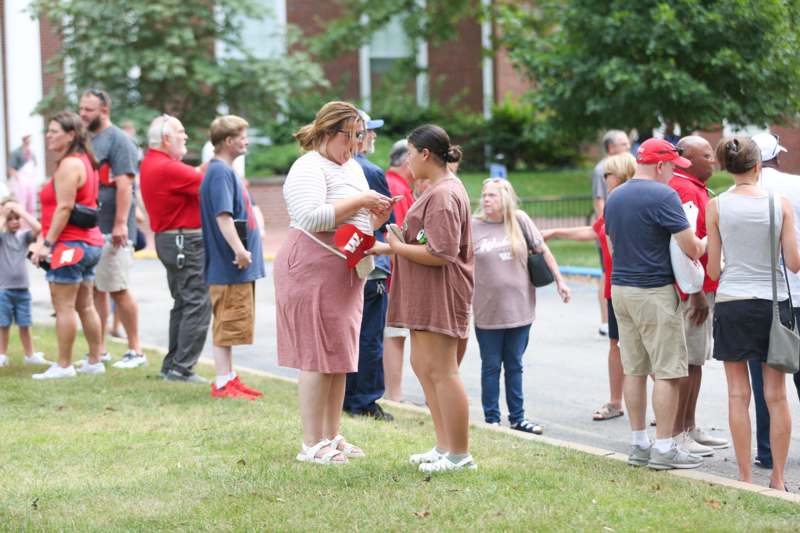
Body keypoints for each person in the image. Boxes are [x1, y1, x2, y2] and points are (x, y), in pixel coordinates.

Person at [274, 101, 393, 465]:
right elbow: (310, 217)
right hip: (311, 265)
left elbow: (356, 226)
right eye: (351, 136)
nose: (357, 144)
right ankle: (311, 444)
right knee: (315, 355)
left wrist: (376, 220)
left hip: (346, 266)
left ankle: (331, 434)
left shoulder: (353, 168)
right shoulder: (308, 166)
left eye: (361, 136)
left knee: (340, 356)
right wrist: (361, 199)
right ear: (328, 132)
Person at [381, 124, 477, 473]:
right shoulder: (437, 191)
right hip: (424, 295)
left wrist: (396, 246)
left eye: (409, 152)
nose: (406, 160)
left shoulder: (444, 195)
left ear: (425, 154)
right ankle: (443, 446)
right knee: (424, 367)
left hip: (442, 293)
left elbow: (441, 252)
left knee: (443, 372)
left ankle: (459, 454)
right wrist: (393, 238)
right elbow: (422, 241)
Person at [605, 138, 705, 470]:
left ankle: (639, 445)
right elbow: (690, 247)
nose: (674, 173)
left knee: (634, 369)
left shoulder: (616, 195)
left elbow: (611, 241)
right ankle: (664, 448)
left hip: (621, 289)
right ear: (661, 165)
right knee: (667, 371)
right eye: (674, 167)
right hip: (655, 291)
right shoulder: (664, 195)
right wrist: (708, 241)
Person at [706, 136, 798, 491]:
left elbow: (713, 271)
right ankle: (777, 478)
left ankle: (744, 477)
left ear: (727, 168)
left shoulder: (716, 207)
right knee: (775, 396)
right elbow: (793, 262)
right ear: (759, 166)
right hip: (773, 305)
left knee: (737, 394)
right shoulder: (780, 204)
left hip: (732, 302)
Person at [542, 152, 636, 421]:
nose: (604, 179)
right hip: (614, 285)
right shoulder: (612, 205)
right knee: (617, 343)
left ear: (621, 175)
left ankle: (665, 405)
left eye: (608, 174)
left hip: (632, 284)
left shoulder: (628, 203)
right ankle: (616, 402)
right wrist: (555, 232)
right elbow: (595, 231)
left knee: (641, 346)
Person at [472, 178, 570, 433]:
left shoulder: (519, 220)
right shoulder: (473, 226)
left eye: (492, 195)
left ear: (505, 198)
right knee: (491, 366)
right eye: (484, 195)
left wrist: (560, 281)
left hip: (520, 308)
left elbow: (543, 251)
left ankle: (518, 418)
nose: (486, 199)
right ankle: (491, 419)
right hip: (487, 310)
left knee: (514, 363)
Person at [29, 111, 104, 380]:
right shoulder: (85, 162)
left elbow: (64, 208)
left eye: (54, 131)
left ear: (71, 135)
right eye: (48, 131)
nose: (48, 135)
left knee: (64, 306)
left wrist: (46, 244)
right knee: (85, 306)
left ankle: (63, 365)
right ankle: (95, 360)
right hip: (89, 243)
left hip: (70, 244)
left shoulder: (70, 165)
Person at [668, 136, 730, 456]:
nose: (714, 160)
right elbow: (685, 248)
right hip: (692, 292)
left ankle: (690, 426)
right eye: (707, 155)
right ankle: (678, 433)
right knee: (687, 363)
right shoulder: (687, 190)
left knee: (696, 362)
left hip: (700, 288)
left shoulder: (693, 187)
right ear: (687, 158)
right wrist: (696, 294)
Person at [140, 114, 211, 383]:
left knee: (184, 302)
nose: (186, 136)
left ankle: (173, 366)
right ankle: (182, 369)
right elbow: (209, 184)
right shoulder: (168, 168)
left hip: (172, 240)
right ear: (166, 139)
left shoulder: (154, 163)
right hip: (184, 241)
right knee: (197, 302)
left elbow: (195, 175)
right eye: (181, 132)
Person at [78, 89, 145, 368]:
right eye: (81, 109)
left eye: (89, 110)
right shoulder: (87, 139)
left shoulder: (119, 140)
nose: (83, 114)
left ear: (104, 110)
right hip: (92, 226)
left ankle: (135, 350)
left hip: (113, 228)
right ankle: (101, 348)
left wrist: (120, 224)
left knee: (118, 287)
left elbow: (124, 184)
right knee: (97, 289)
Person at [200, 115, 265, 399]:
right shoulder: (219, 173)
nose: (246, 141)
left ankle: (229, 377)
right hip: (229, 266)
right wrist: (239, 250)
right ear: (228, 141)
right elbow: (223, 217)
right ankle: (223, 382)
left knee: (230, 323)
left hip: (234, 267)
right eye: (241, 136)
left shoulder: (225, 170)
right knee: (226, 323)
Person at [746, 132, 800, 470]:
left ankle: (766, 451)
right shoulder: (795, 185)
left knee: (766, 378)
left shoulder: (734, 195)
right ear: (776, 157)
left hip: (760, 294)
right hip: (798, 289)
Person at [342, 110, 395, 421]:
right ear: (358, 136)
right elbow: (388, 220)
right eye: (369, 131)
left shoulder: (336, 170)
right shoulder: (370, 171)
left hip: (345, 258)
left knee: (349, 331)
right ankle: (364, 400)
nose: (373, 136)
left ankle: (347, 394)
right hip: (371, 263)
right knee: (370, 335)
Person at [592, 130, 631, 337]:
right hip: (609, 227)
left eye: (627, 143)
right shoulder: (603, 169)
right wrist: (605, 226)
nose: (627, 147)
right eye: (623, 144)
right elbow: (599, 199)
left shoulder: (625, 166)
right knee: (607, 272)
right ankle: (606, 320)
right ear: (611, 148)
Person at [0, 199, 48, 366]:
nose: (14, 222)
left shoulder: (23, 238)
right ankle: (2, 355)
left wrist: (21, 211)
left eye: (16, 219)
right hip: (4, 290)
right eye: (10, 219)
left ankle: (30, 355)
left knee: (25, 324)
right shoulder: (2, 238)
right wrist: (3, 214)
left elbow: (38, 228)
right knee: (3, 325)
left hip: (22, 290)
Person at [383, 140, 414, 402]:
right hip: (395, 275)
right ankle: (394, 395)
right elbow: (399, 235)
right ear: (407, 161)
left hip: (393, 271)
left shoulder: (394, 184)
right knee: (395, 332)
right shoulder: (397, 188)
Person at [8, 134, 40, 218]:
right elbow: (12, 168)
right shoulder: (16, 152)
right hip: (21, 179)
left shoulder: (31, 152)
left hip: (30, 179)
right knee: (22, 203)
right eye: (28, 139)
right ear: (24, 139)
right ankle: (22, 224)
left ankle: (31, 224)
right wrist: (18, 179)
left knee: (31, 204)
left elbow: (35, 165)